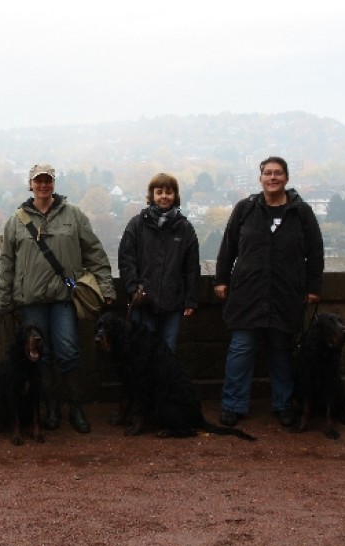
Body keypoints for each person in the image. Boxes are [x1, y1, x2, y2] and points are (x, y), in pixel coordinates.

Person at [0, 163, 116, 434]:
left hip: (64, 298)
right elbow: (6, 264)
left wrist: (107, 289)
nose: (43, 185)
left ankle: (76, 408)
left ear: (54, 183)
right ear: (30, 185)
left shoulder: (74, 215)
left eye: (47, 180)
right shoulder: (16, 221)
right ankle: (50, 409)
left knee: (69, 351)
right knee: (41, 355)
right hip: (31, 300)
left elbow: (94, 254)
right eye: (38, 181)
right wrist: (3, 300)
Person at [213, 156, 324, 428]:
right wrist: (221, 280)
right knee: (241, 350)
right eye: (268, 173)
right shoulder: (245, 209)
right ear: (260, 178)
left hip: (285, 293)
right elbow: (228, 247)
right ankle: (232, 405)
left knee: (281, 352)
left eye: (278, 173)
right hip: (247, 293)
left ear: (286, 178)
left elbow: (315, 252)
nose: (272, 177)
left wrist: (313, 287)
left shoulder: (301, 212)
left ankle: (283, 404)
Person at [118, 172, 200, 354]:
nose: (164, 196)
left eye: (169, 192)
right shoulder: (137, 224)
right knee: (142, 352)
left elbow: (192, 267)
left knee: (168, 354)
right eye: (159, 192)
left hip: (173, 303)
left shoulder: (185, 228)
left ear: (175, 195)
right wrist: (133, 290)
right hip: (143, 302)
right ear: (152, 195)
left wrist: (191, 300)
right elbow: (126, 258)